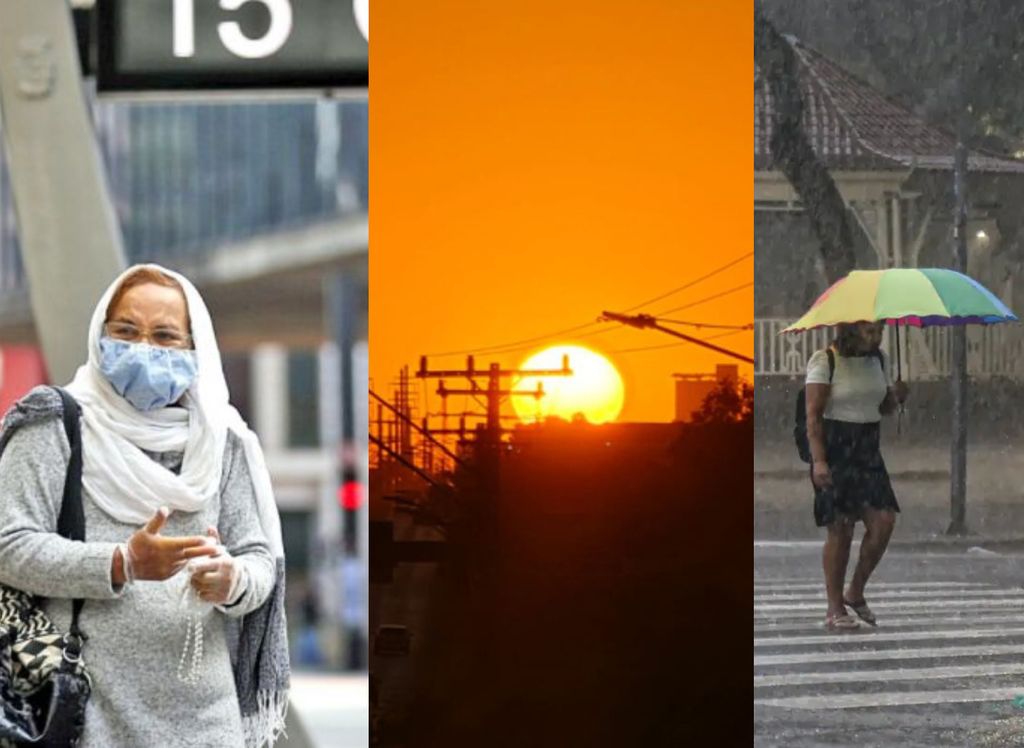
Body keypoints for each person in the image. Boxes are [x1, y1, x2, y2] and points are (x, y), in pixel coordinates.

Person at [0, 264, 290, 747]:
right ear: (100, 335)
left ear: (194, 349)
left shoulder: (225, 439)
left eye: (165, 336)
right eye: (127, 331)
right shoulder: (53, 423)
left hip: (205, 720)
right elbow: (8, 544)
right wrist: (122, 562)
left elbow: (258, 558)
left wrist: (232, 578)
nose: (144, 349)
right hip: (81, 711)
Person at [805, 321, 908, 631]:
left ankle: (856, 591)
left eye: (879, 331)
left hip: (867, 448)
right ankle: (834, 608)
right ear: (850, 330)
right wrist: (819, 460)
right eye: (868, 332)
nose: (875, 338)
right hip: (835, 448)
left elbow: (883, 407)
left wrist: (897, 397)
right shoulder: (826, 360)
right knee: (841, 529)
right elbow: (813, 415)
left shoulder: (879, 360)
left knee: (884, 521)